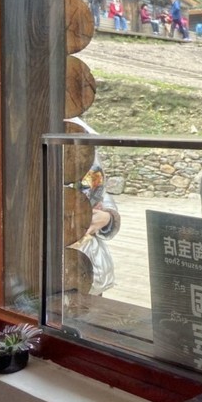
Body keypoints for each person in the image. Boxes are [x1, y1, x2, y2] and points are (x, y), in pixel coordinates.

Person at [65, 117, 122, 296]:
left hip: (88, 259)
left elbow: (99, 194)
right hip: (48, 264)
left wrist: (108, 217)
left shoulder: (85, 143)